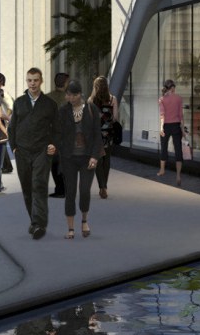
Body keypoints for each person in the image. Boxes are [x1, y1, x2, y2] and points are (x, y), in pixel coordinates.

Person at [7, 68, 59, 241]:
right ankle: (34, 221)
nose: (32, 83)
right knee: (27, 188)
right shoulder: (19, 102)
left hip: (42, 151)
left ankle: (39, 224)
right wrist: (13, 147)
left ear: (41, 81)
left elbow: (58, 129)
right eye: (29, 80)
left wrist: (54, 145)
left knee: (39, 185)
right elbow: (12, 126)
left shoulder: (50, 104)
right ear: (26, 81)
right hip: (22, 151)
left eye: (35, 80)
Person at [58, 78, 111, 238]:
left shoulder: (91, 109)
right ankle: (71, 228)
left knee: (85, 191)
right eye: (68, 95)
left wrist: (95, 156)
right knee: (70, 192)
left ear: (79, 94)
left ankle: (84, 220)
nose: (69, 98)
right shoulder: (63, 111)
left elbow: (97, 134)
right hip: (69, 158)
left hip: (87, 157)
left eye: (72, 95)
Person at [88, 77, 118, 200]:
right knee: (107, 159)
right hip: (109, 133)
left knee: (98, 160)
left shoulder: (91, 100)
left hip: (96, 135)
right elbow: (115, 117)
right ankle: (104, 186)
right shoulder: (112, 99)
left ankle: (102, 187)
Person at [156, 79, 186, 182]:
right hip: (176, 126)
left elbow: (162, 115)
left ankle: (162, 170)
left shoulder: (162, 99)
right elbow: (181, 115)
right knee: (178, 149)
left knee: (164, 148)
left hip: (166, 126)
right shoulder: (179, 98)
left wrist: (161, 128)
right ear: (173, 88)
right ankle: (178, 175)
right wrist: (183, 130)